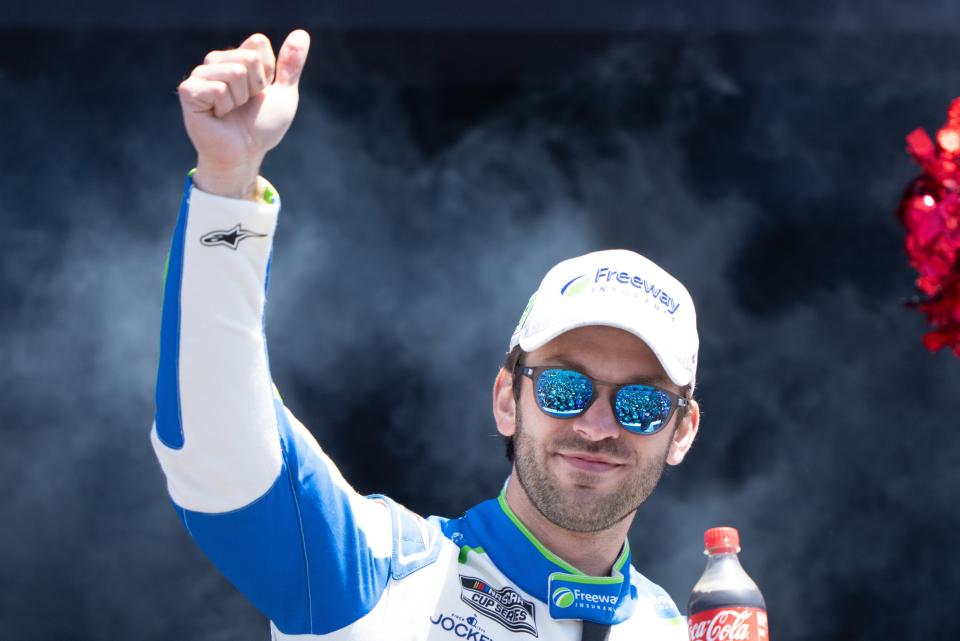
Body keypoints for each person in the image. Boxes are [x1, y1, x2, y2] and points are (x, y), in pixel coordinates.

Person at [153, 29, 702, 641]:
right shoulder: (377, 571)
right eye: (564, 387)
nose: (598, 426)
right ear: (505, 399)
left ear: (681, 431)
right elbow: (214, 448)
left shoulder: (683, 633)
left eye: (641, 404)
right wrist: (228, 186)